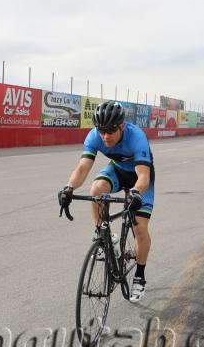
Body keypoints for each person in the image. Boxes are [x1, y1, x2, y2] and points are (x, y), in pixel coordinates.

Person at [58, 101, 154, 302]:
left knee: (141, 229)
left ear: (122, 126)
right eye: (101, 131)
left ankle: (139, 277)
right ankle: (105, 236)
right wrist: (69, 188)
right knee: (96, 189)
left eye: (110, 131)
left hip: (140, 178)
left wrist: (135, 193)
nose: (105, 136)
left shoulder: (137, 137)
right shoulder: (95, 136)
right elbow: (83, 168)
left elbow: (143, 176)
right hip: (118, 170)